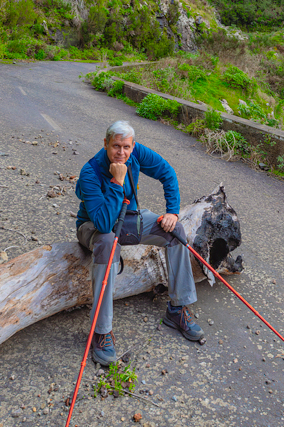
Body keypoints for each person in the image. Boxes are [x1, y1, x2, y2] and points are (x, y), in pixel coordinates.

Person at [76, 119, 203, 364]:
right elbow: (102, 222)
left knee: (175, 231)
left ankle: (177, 310)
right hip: (93, 227)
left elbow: (167, 172)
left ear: (133, 146)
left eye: (126, 147)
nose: (121, 153)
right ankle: (101, 332)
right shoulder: (89, 172)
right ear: (105, 144)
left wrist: (172, 211)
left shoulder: (137, 153)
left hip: (130, 219)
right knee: (107, 241)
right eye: (116, 146)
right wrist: (117, 182)